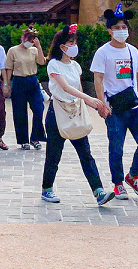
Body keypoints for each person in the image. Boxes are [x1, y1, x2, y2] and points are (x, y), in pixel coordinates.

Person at [42, 25, 114, 206]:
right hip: (57, 112)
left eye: (75, 42)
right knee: (54, 153)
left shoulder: (75, 66)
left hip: (75, 111)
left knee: (86, 153)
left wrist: (96, 108)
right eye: (70, 43)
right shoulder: (53, 64)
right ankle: (47, 188)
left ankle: (98, 191)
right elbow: (66, 87)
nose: (74, 46)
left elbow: (78, 89)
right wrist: (91, 99)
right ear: (61, 46)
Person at [92, 4, 138, 200]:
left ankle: (133, 175)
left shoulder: (132, 51)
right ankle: (118, 182)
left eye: (124, 27)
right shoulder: (103, 52)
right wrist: (102, 104)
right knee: (116, 146)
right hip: (114, 107)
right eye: (116, 27)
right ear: (109, 30)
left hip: (134, 105)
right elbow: (98, 78)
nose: (121, 31)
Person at [5, 27, 47, 150]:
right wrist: (6, 84)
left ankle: (36, 137)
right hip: (19, 80)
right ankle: (23, 140)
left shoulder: (33, 50)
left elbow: (41, 62)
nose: (29, 42)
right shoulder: (13, 50)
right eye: (28, 39)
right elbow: (9, 68)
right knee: (20, 112)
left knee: (39, 108)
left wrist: (38, 47)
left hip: (32, 80)